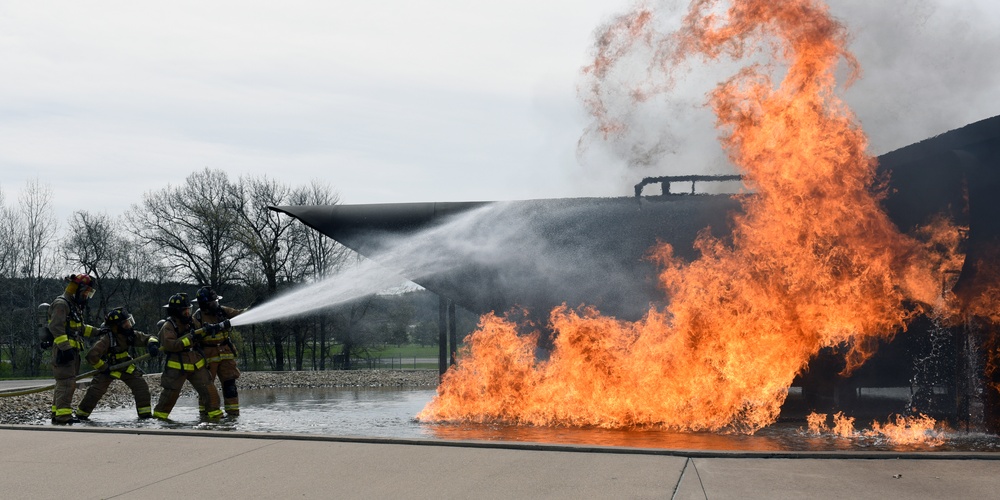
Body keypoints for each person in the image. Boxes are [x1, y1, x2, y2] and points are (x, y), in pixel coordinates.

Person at [75, 307, 160, 420]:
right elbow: (92, 356)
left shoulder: (130, 335)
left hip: (125, 367)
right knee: (95, 392)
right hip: (109, 369)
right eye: (125, 323)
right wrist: (103, 367)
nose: (129, 326)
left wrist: (152, 344)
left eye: (129, 322)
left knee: (141, 387)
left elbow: (149, 337)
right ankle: (81, 416)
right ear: (116, 327)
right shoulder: (106, 339)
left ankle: (145, 416)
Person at [152, 293, 223, 421]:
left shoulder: (192, 321)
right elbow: (170, 345)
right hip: (177, 367)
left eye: (188, 309)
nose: (187, 312)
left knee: (210, 392)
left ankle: (216, 420)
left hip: (196, 363)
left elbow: (200, 332)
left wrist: (207, 330)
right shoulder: (168, 326)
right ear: (176, 312)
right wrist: (190, 339)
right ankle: (159, 423)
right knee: (169, 396)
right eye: (184, 310)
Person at [47, 273, 102, 424]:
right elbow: (56, 327)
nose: (86, 296)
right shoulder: (62, 304)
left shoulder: (73, 305)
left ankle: (57, 414)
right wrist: (65, 348)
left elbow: (80, 328)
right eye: (85, 292)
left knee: (65, 383)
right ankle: (63, 417)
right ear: (77, 289)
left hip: (71, 351)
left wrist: (98, 331)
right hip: (63, 351)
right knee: (66, 383)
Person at [192, 286, 247, 417]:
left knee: (230, 385)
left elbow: (240, 314)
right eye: (213, 302)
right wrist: (207, 330)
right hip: (208, 356)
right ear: (204, 304)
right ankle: (205, 414)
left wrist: (253, 307)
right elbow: (193, 336)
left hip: (226, 353)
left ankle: (233, 415)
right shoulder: (197, 317)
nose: (216, 304)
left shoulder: (222, 311)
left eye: (216, 301)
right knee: (207, 387)